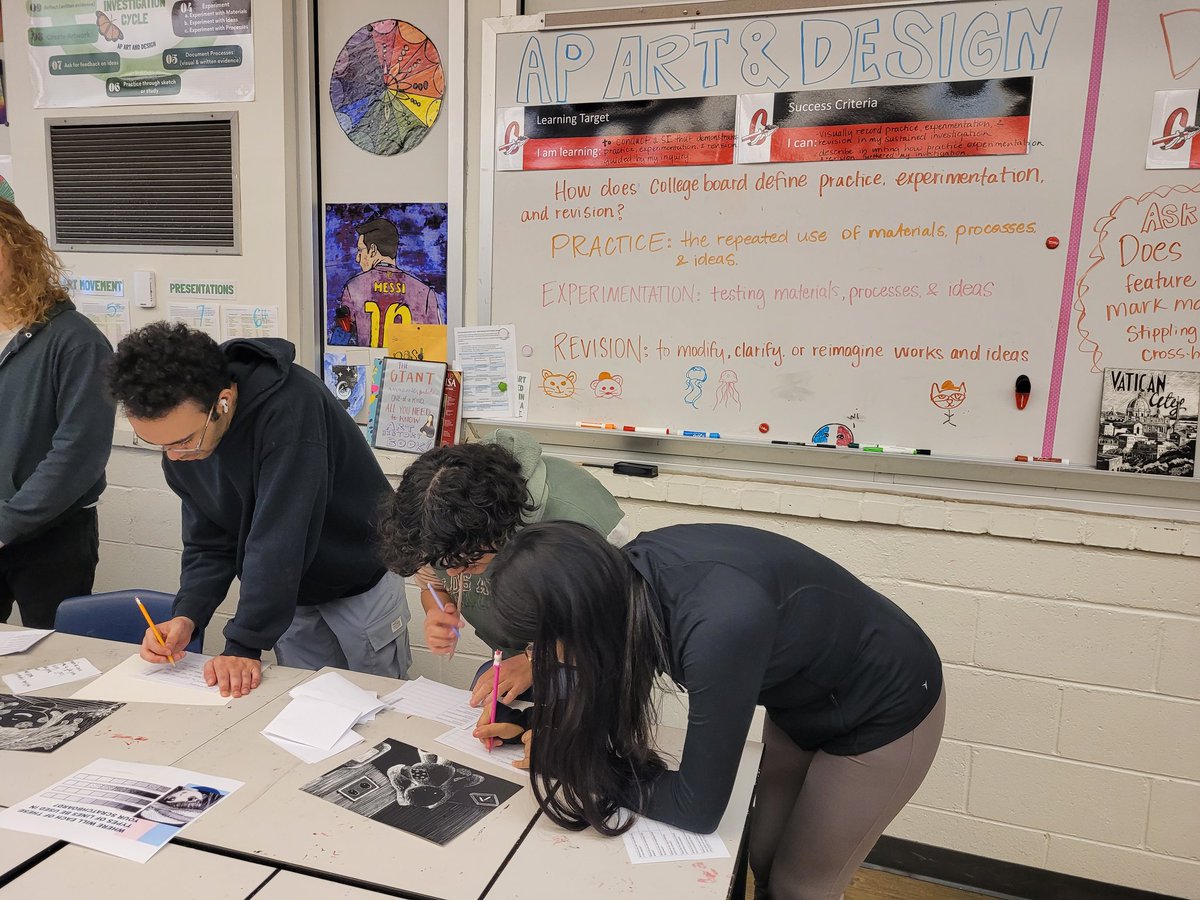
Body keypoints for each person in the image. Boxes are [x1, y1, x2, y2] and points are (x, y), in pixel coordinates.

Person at [475, 521, 946, 900]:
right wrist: (536, 724)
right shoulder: (623, 587)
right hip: (799, 698)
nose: (541, 656)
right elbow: (609, 679)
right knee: (762, 855)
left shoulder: (715, 625)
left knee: (800, 887)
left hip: (884, 705)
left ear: (582, 622)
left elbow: (696, 808)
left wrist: (577, 765)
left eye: (541, 644)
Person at [107, 322, 410, 698]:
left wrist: (244, 644)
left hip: (357, 576)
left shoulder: (292, 408)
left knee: (376, 701)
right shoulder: (185, 447)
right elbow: (209, 540)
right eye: (160, 445)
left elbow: (281, 537)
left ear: (223, 402)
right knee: (307, 701)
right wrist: (189, 614)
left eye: (184, 441)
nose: (175, 456)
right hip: (288, 593)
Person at [377, 430, 629, 707]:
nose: (453, 573)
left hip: (588, 661)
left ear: (497, 530)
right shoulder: (434, 527)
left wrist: (534, 661)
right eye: (443, 563)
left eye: (468, 561)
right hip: (512, 658)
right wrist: (437, 609)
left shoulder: (579, 520)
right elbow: (432, 585)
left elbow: (619, 622)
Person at [0, 199, 114, 628]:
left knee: (54, 656)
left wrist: (7, 522)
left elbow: (78, 452)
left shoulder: (76, 341)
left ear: (22, 253)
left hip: (53, 535)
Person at [329, 217, 443, 346]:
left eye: (360, 250)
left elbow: (340, 343)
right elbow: (436, 345)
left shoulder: (353, 287)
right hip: (408, 359)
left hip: (368, 359)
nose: (357, 258)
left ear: (373, 250)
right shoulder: (425, 292)